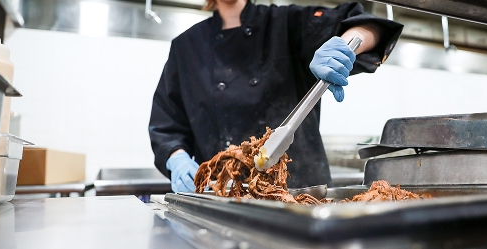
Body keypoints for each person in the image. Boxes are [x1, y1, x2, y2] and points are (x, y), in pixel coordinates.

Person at [149, 0, 403, 193]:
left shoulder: (286, 23)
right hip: (223, 197)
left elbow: (366, 24)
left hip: (299, 194)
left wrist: (348, 43)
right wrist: (178, 158)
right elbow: (167, 126)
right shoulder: (186, 47)